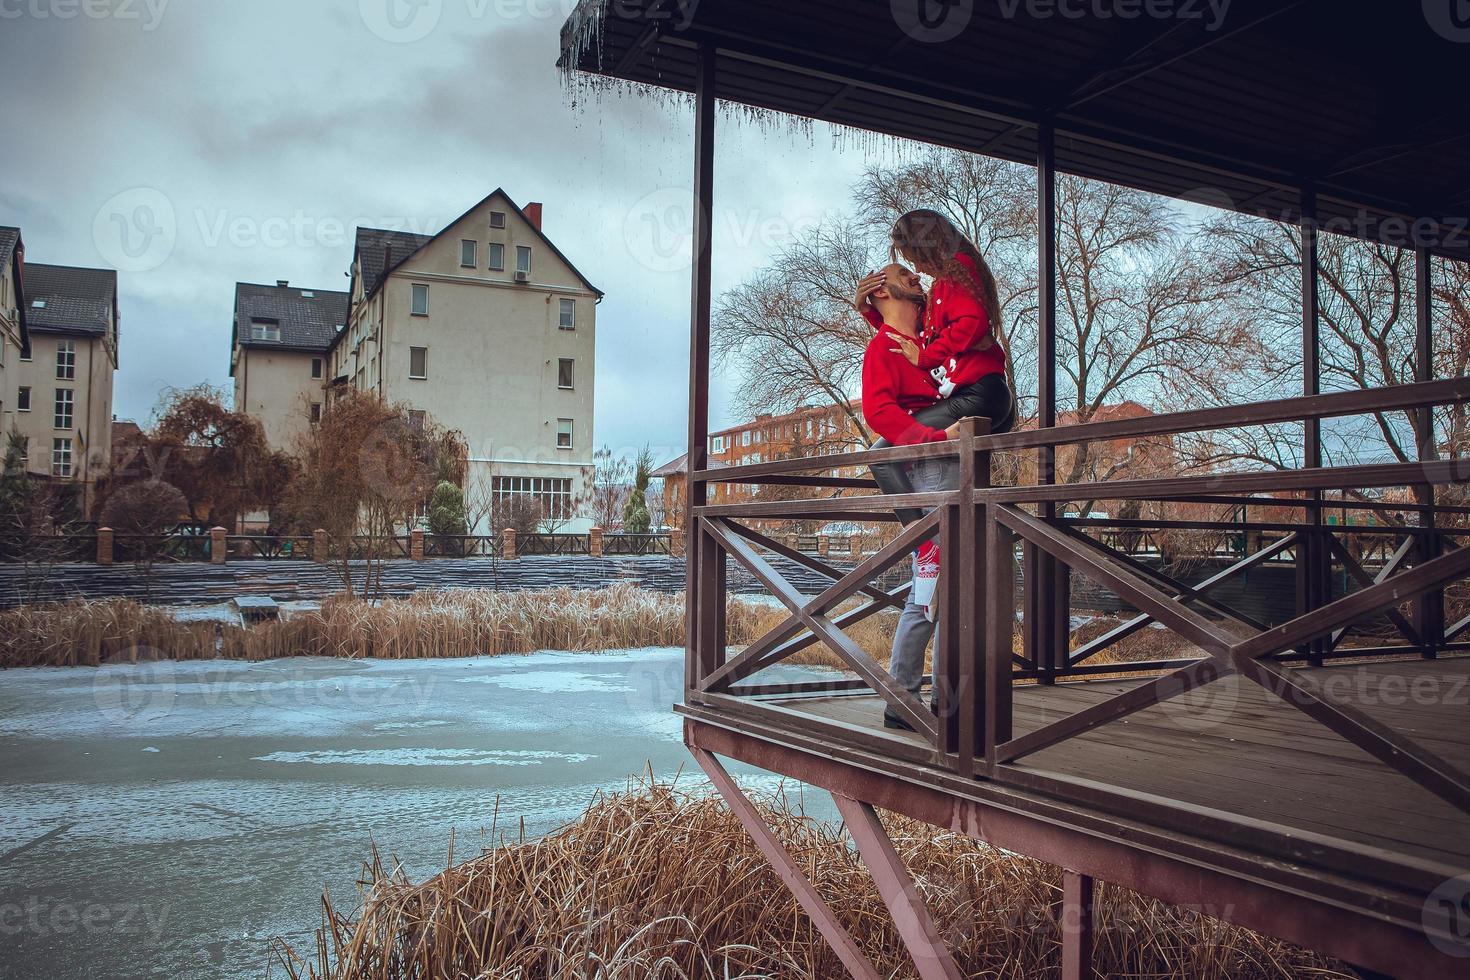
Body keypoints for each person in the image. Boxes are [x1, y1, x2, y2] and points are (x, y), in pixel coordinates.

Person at [856, 262, 964, 731]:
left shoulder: (914, 343)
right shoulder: (883, 348)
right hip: (930, 469)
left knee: (954, 583)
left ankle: (940, 700)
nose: (917, 276)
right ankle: (905, 701)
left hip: (951, 464)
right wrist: (930, 438)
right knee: (934, 585)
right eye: (906, 273)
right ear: (883, 288)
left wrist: (868, 309)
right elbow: (879, 410)